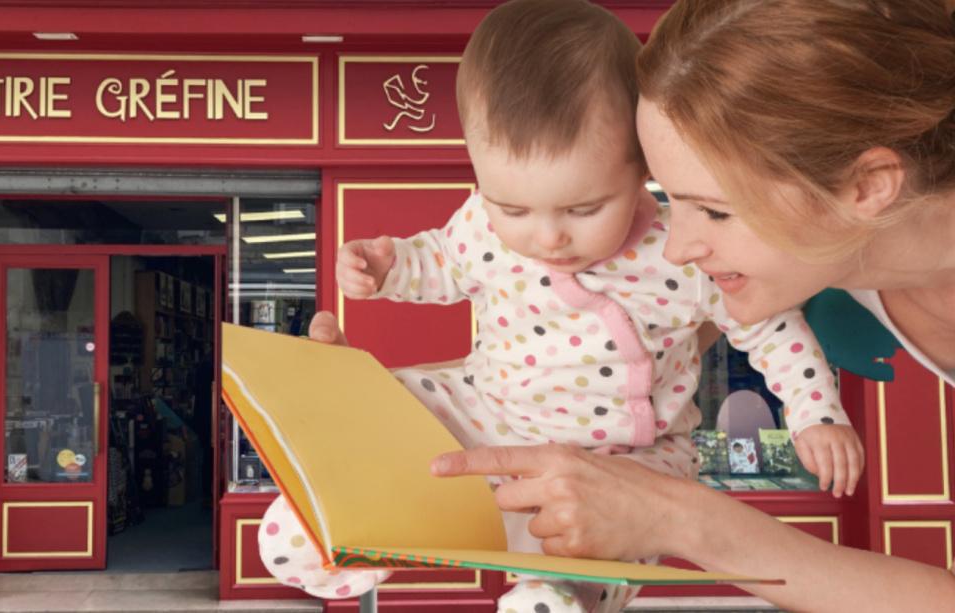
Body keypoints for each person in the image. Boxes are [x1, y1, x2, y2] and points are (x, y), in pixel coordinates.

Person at [258, 1, 859, 611]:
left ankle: (561, 591)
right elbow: (441, 259)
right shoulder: (481, 227)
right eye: (513, 208)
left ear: (641, 169)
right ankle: (344, 519)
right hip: (490, 413)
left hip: (626, 455)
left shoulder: (680, 249)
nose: (547, 237)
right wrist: (387, 268)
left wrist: (815, 412)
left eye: (583, 209)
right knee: (402, 398)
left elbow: (767, 328)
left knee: (621, 531)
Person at [423, 0, 955, 610]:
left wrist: (680, 518)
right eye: (669, 199)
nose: (675, 248)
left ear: (867, 186)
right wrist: (369, 399)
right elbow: (580, 377)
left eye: (716, 211)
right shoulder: (814, 270)